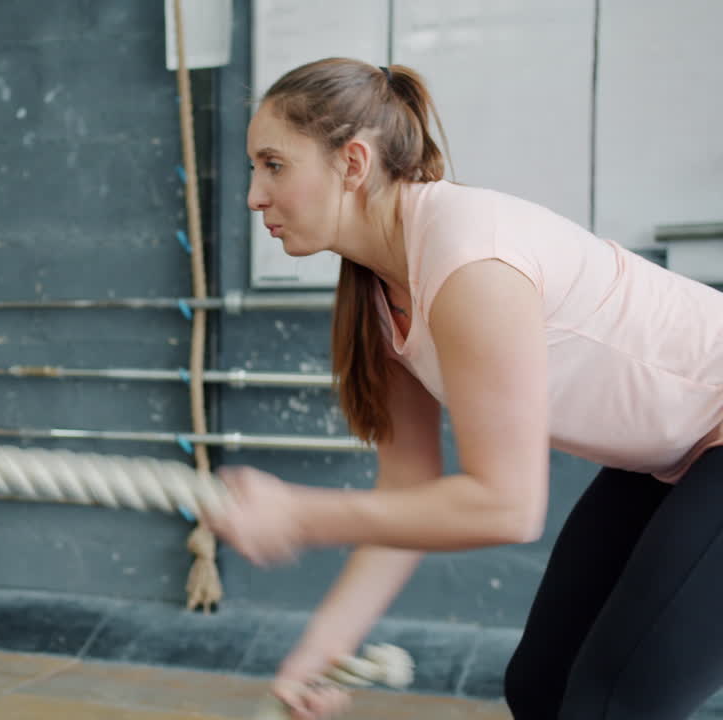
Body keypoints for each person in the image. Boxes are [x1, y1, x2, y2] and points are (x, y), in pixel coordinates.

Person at [205, 57, 723, 720]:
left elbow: (506, 506)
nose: (254, 195)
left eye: (273, 164)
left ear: (353, 163)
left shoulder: (469, 259)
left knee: (608, 705)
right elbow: (411, 494)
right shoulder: (380, 290)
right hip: (672, 453)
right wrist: (321, 650)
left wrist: (301, 516)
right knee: (540, 688)